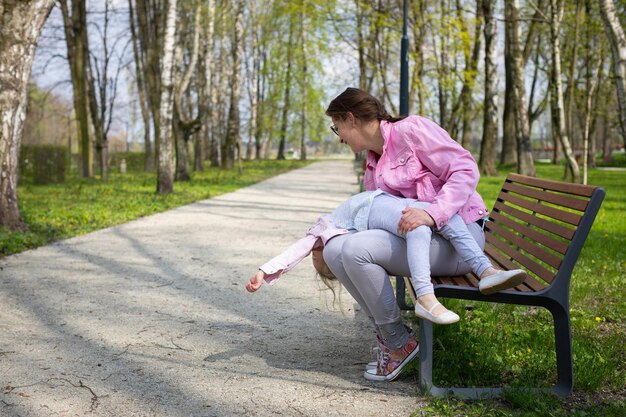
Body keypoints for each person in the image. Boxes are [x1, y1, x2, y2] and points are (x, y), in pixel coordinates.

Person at [319, 87, 527, 382]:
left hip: (459, 238)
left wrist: (433, 212)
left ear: (351, 119)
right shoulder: (372, 164)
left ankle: (397, 344)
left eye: (337, 127)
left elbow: (465, 168)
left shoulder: (411, 131)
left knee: (354, 251)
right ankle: (393, 340)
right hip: (422, 241)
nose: (339, 137)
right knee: (336, 250)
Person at [246, 189, 526, 327]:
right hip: (376, 210)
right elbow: (298, 251)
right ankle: (429, 297)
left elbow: (298, 250)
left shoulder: (325, 227)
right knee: (422, 223)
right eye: (324, 263)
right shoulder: (328, 233)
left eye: (319, 258)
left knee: (440, 217)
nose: (318, 253)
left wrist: (264, 270)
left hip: (379, 204)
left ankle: (486, 272)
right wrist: (267, 270)